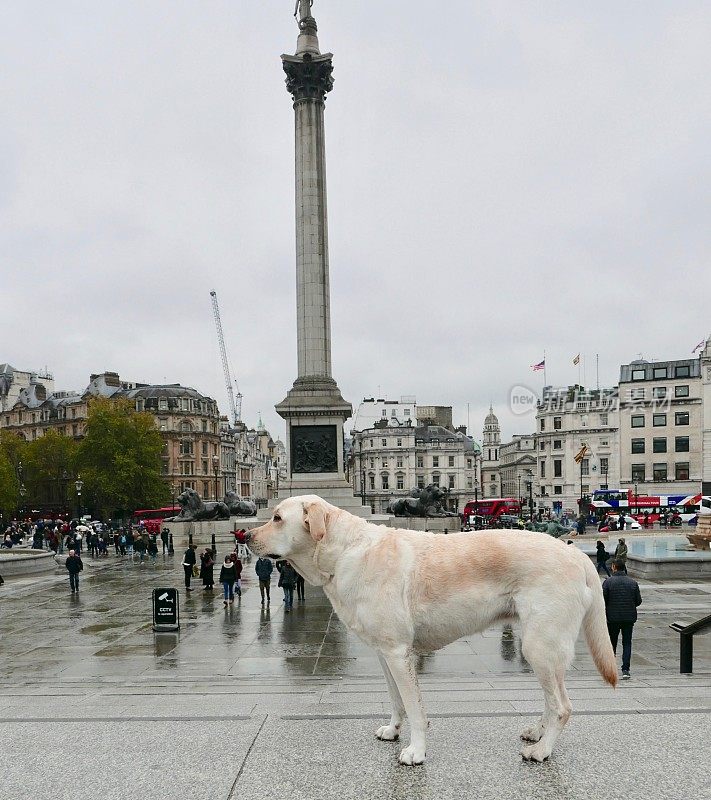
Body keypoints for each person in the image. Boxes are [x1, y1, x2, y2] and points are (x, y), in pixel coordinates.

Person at [603, 558, 642, 680]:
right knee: (627, 643)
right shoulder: (633, 582)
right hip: (628, 618)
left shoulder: (608, 582)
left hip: (612, 618)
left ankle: (611, 669)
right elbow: (638, 601)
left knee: (612, 644)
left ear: (614, 567)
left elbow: (603, 600)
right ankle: (626, 670)